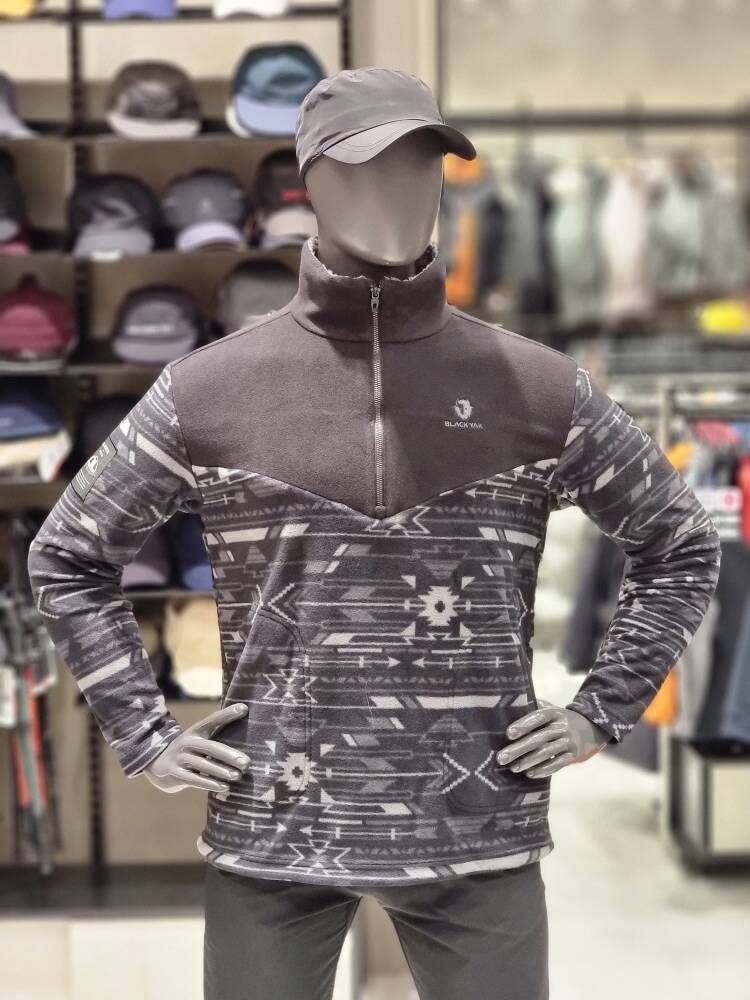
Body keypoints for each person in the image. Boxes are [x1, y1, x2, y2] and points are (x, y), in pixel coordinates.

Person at [27, 68, 722, 1000]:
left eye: (420, 163)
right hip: (273, 833)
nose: (398, 191)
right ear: (312, 181)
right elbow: (68, 555)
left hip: (477, 830)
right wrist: (143, 732)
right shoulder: (210, 391)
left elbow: (680, 543)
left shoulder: (538, 388)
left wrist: (602, 709)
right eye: (365, 164)